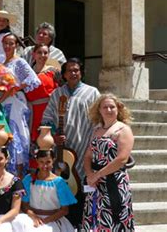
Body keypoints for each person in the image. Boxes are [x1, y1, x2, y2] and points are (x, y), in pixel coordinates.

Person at [41, 57, 100, 227]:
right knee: (62, 188)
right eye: (69, 71)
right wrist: (53, 135)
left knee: (81, 188)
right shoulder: (57, 94)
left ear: (81, 72)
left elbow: (98, 121)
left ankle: (81, 225)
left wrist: (93, 145)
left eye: (76, 70)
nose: (73, 73)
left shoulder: (92, 93)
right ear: (64, 75)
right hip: (62, 151)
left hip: (84, 147)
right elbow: (46, 120)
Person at [81, 94, 135, 231]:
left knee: (115, 221)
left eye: (112, 107)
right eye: (105, 107)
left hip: (115, 183)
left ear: (118, 109)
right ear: (99, 110)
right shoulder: (97, 130)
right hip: (96, 184)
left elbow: (121, 159)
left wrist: (97, 175)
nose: (109, 110)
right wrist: (89, 175)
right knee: (95, 220)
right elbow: (87, 156)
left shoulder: (124, 130)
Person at [0, 33, 41, 176]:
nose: (8, 46)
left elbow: (33, 79)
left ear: (16, 45)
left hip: (15, 101)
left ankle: (18, 172)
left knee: (17, 134)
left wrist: (16, 87)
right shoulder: (1, 62)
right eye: (5, 43)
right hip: (2, 101)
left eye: (11, 43)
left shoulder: (19, 62)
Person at [17, 149, 77, 232]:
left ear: (53, 161)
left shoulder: (58, 182)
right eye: (41, 162)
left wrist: (46, 220)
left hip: (53, 219)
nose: (44, 166)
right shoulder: (29, 179)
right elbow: (24, 204)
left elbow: (64, 210)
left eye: (48, 162)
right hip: (32, 218)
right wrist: (33, 216)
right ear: (37, 161)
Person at [24, 44, 61, 168]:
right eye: (39, 52)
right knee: (34, 141)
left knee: (49, 141)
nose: (42, 56)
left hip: (49, 111)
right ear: (34, 54)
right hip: (33, 112)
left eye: (45, 53)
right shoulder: (27, 73)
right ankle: (35, 172)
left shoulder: (53, 72)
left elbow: (62, 90)